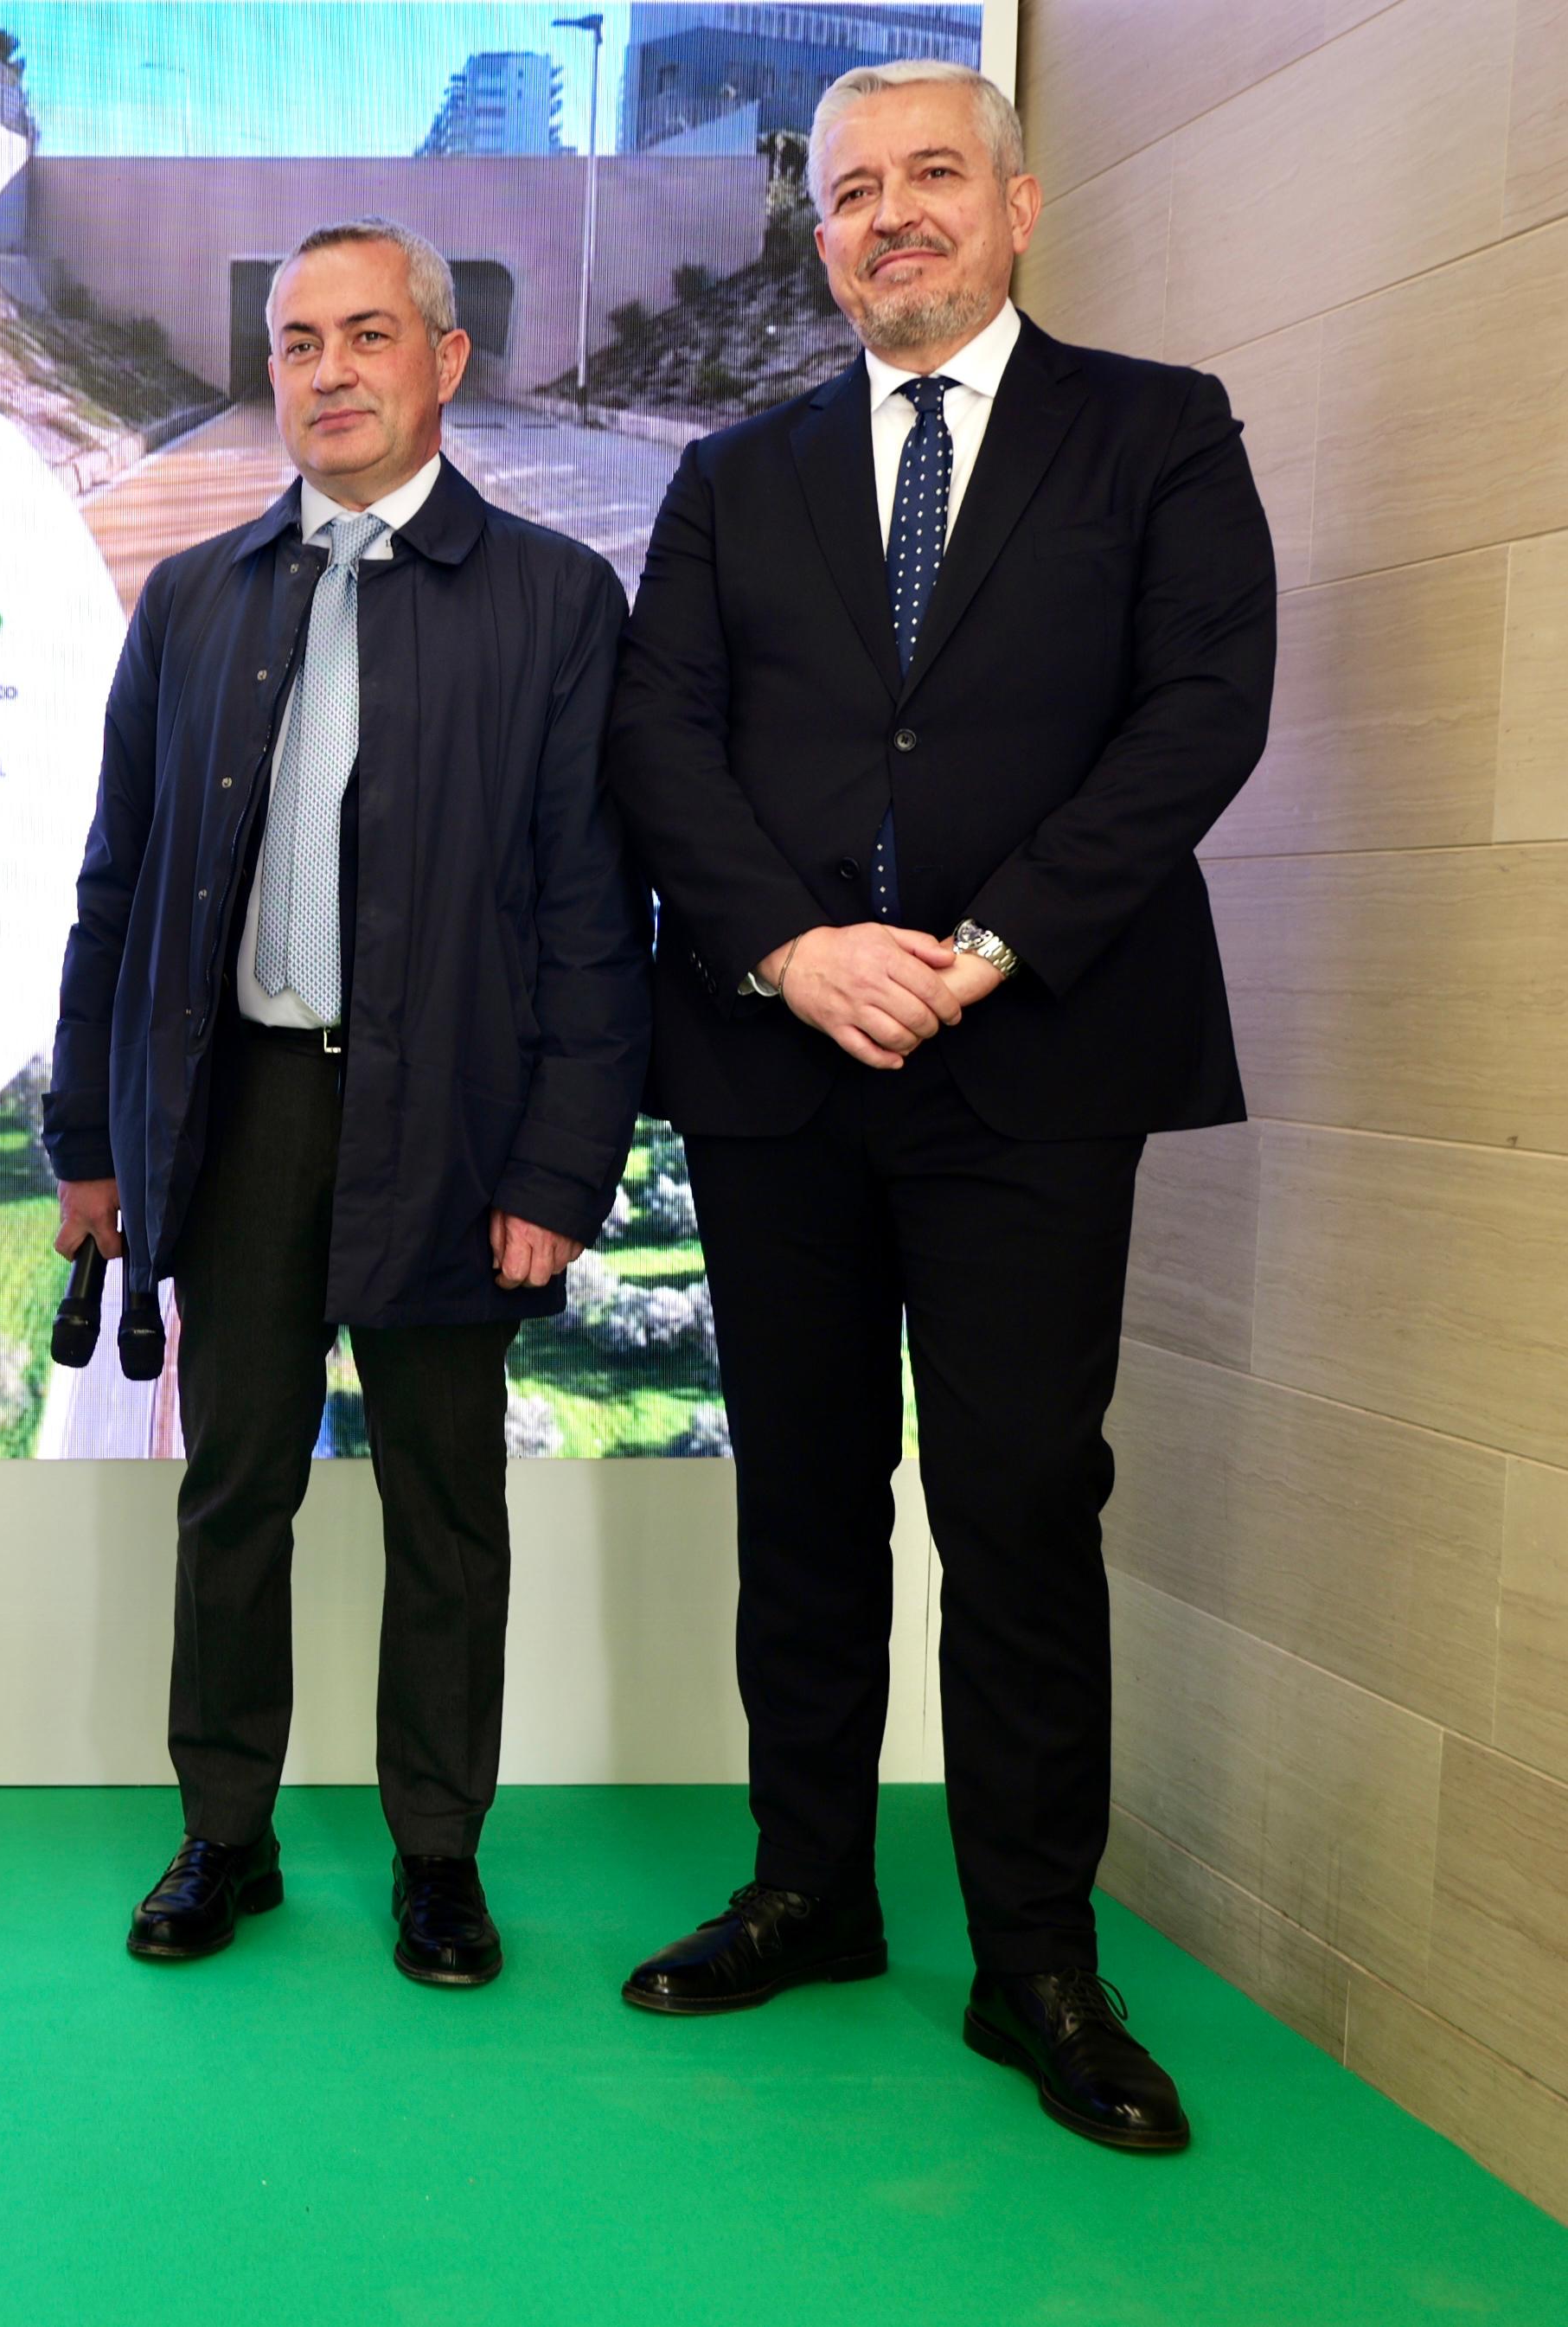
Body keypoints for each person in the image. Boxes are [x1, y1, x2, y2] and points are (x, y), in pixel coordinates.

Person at [602, 60, 1275, 2151]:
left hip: (1034, 1060)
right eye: (847, 192)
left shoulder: (1156, 429)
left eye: (926, 182)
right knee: (797, 1499)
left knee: (1012, 1508)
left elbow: (1196, 719)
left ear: (1017, 203)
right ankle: (807, 1889)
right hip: (773, 1062)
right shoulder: (729, 474)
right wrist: (795, 955)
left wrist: (977, 947)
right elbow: (660, 743)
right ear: (816, 234)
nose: (883, 218)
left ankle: (1034, 1965)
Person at [47, 220, 647, 1988]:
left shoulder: (549, 600)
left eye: (363, 336)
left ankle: (438, 1858)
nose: (323, 372)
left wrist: (557, 1166)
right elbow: (117, 883)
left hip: (454, 1128)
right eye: (296, 342)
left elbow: (589, 917)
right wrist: (87, 1137)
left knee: (446, 1508)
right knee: (231, 1490)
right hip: (238, 1115)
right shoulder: (197, 594)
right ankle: (219, 1837)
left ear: (442, 363)